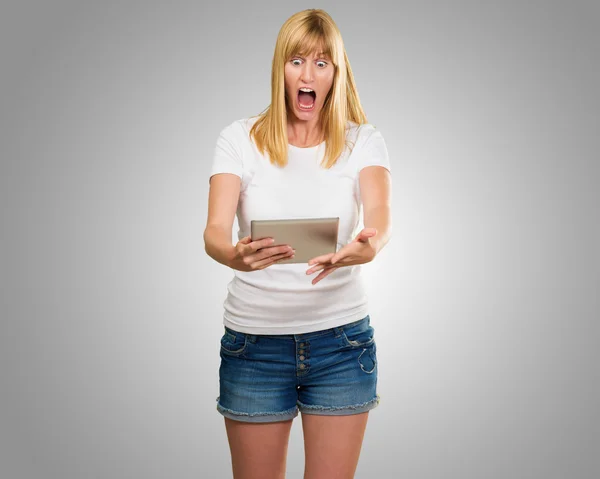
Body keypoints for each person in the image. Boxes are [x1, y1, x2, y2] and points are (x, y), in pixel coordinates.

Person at [204, 9, 392, 479]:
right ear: (280, 69)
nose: (308, 75)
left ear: (336, 74)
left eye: (322, 63)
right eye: (296, 61)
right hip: (254, 347)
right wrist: (233, 255)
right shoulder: (238, 139)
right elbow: (213, 231)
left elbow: (381, 215)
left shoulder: (363, 141)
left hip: (341, 344)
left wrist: (369, 244)